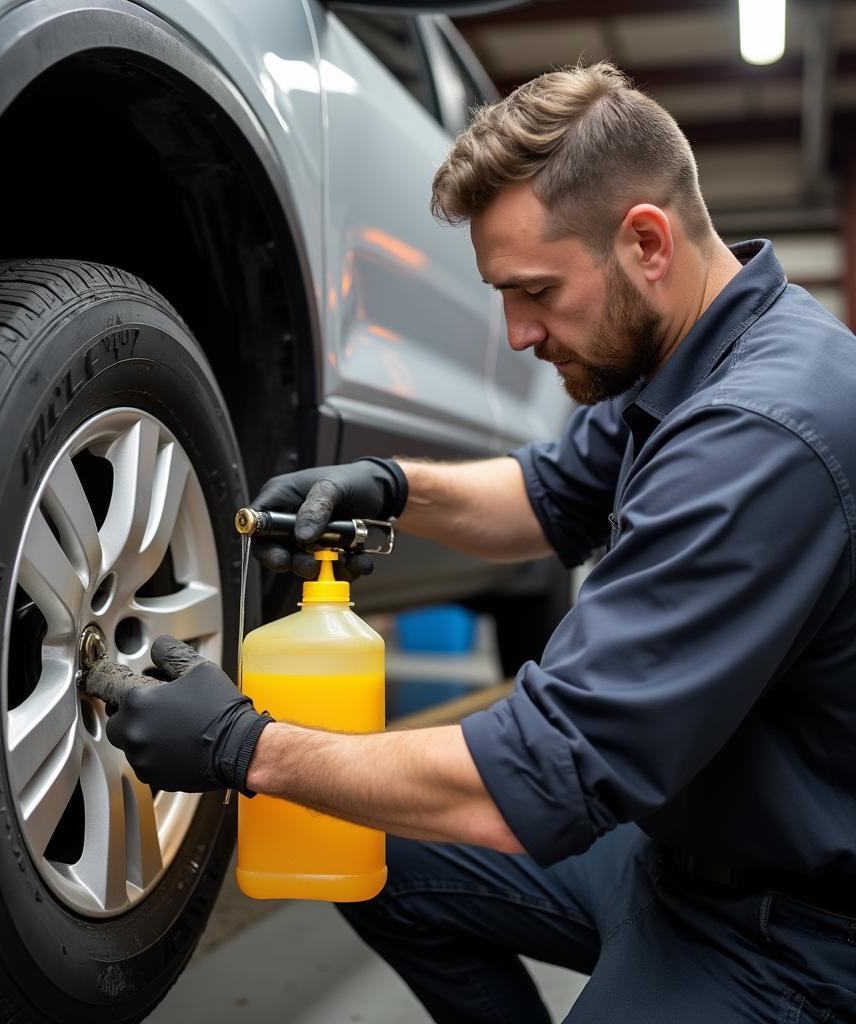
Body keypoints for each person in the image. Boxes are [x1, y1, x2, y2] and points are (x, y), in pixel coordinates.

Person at [106, 64, 856, 1022]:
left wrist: (243, 746)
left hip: (787, 934)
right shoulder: (678, 350)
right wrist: (388, 484)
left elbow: (528, 783)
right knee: (363, 847)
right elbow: (540, 499)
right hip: (664, 852)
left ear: (646, 242)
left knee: (383, 796)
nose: (515, 334)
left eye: (534, 291)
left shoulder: (759, 436)